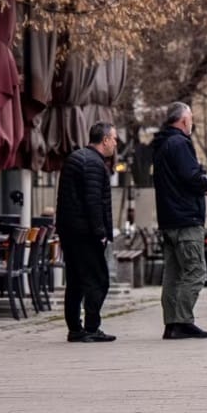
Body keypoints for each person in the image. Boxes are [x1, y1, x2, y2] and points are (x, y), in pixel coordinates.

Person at [151, 102, 207, 340]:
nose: (193, 122)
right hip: (185, 218)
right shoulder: (179, 143)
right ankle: (182, 320)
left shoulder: (161, 144)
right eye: (191, 118)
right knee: (196, 270)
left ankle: (172, 323)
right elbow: (190, 175)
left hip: (169, 218)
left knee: (173, 274)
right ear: (183, 121)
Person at [55, 122, 119, 343]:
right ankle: (91, 326)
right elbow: (93, 202)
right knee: (98, 280)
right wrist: (100, 232)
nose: (116, 144)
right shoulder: (94, 164)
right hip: (86, 232)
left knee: (75, 280)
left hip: (69, 230)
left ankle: (75, 327)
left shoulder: (75, 158)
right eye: (114, 139)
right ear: (105, 140)